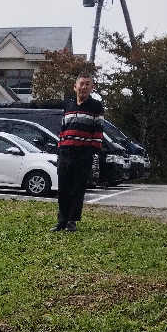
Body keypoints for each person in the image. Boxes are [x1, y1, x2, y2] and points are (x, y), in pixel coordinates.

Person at [52, 74, 104, 233]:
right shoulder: (68, 105)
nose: (84, 87)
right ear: (75, 87)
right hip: (65, 152)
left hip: (83, 154)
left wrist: (92, 151)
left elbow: (99, 130)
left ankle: (72, 221)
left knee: (77, 188)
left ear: (92, 88)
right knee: (63, 187)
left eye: (88, 84)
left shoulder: (96, 106)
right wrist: (60, 148)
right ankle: (61, 221)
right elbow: (62, 129)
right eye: (82, 84)